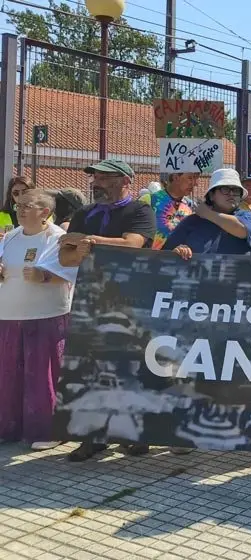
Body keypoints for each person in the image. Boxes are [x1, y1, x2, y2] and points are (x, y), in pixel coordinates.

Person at [58, 159, 154, 461]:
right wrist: (84, 245)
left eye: (105, 177)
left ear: (126, 181)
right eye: (95, 177)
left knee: (128, 367)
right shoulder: (85, 213)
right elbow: (66, 254)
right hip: (90, 298)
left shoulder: (140, 211)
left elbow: (133, 244)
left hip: (129, 299)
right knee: (89, 368)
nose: (96, 182)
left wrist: (90, 242)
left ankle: (132, 433)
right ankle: (92, 435)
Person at [0, 190, 75, 451]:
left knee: (43, 376)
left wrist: (43, 277)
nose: (19, 209)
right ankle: (9, 427)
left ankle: (50, 430)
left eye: (27, 205)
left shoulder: (57, 238)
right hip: (9, 316)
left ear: (45, 212)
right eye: (18, 205)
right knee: (9, 375)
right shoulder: (9, 237)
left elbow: (72, 273)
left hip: (46, 315)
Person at [163, 169, 251, 259]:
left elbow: (242, 230)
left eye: (236, 190)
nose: (231, 194)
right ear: (211, 195)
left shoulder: (247, 217)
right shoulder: (192, 222)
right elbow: (165, 255)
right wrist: (177, 252)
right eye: (225, 189)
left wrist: (207, 213)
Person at [140, 172, 199, 250]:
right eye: (190, 178)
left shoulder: (191, 207)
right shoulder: (148, 201)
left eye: (196, 179)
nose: (195, 184)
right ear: (175, 177)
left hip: (178, 261)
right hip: (149, 259)